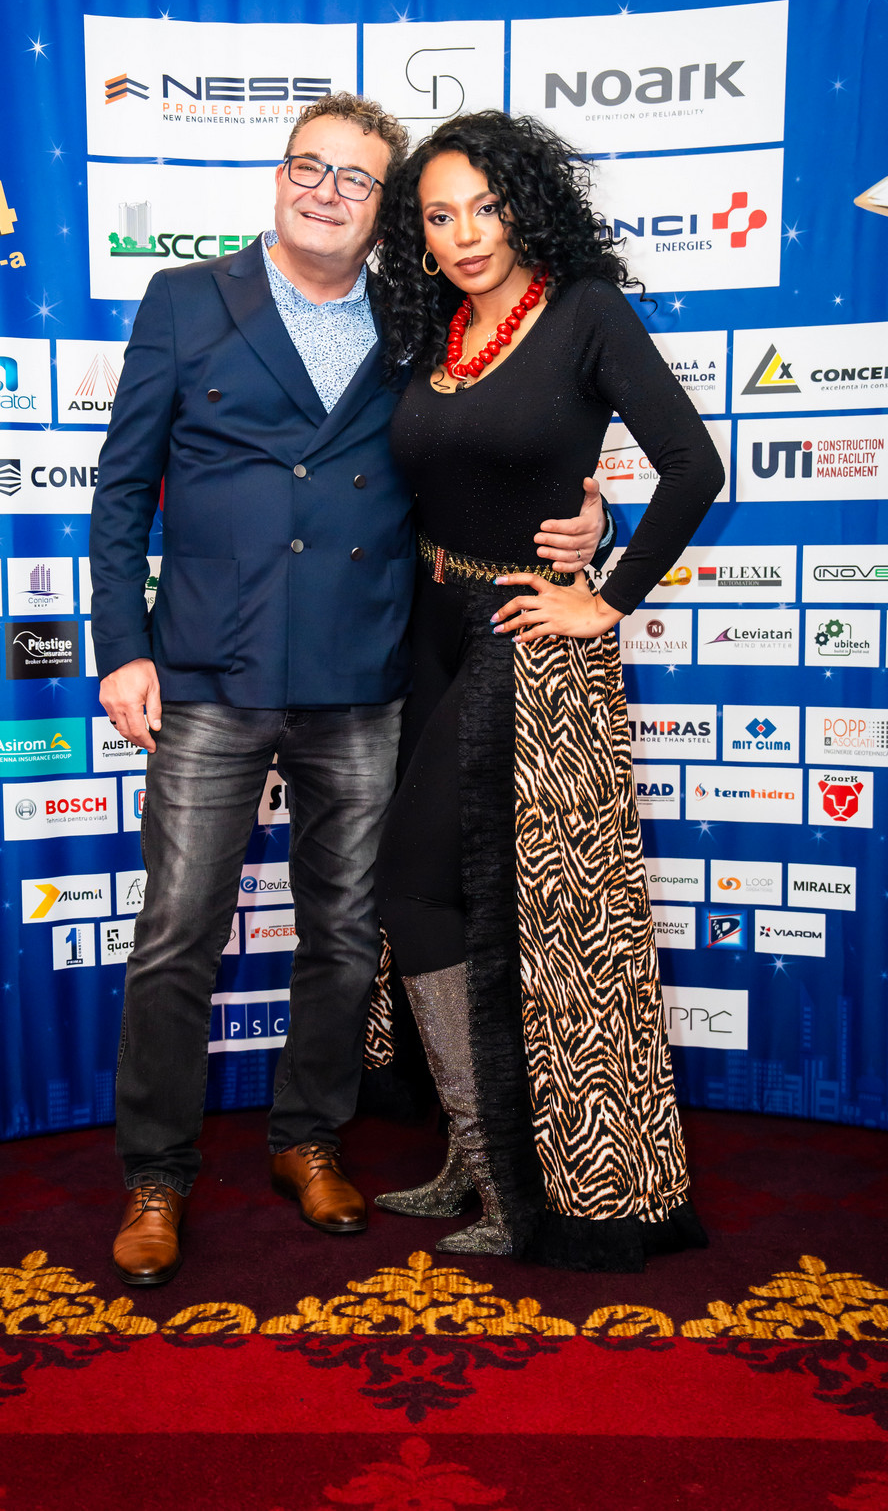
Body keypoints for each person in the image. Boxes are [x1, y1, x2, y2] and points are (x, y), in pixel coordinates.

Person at [88, 93, 611, 1288]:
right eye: (308, 168)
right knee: (176, 934)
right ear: (280, 179)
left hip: (361, 671)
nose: (327, 192)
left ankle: (308, 1139)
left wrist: (591, 523)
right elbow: (122, 491)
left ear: (385, 209)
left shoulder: (413, 316)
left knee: (340, 932)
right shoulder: (185, 299)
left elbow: (489, 452)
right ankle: (156, 1174)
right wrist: (123, 646)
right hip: (208, 670)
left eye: (357, 179)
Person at [372, 110, 725, 1274]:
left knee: (428, 886)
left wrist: (606, 594)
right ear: (419, 234)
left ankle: (509, 1177)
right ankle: (471, 1152)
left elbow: (695, 466)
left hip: (526, 640)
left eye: (486, 206)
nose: (466, 234)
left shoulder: (585, 313)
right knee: (450, 903)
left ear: (527, 207)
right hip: (427, 631)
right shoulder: (425, 328)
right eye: (440, 215)